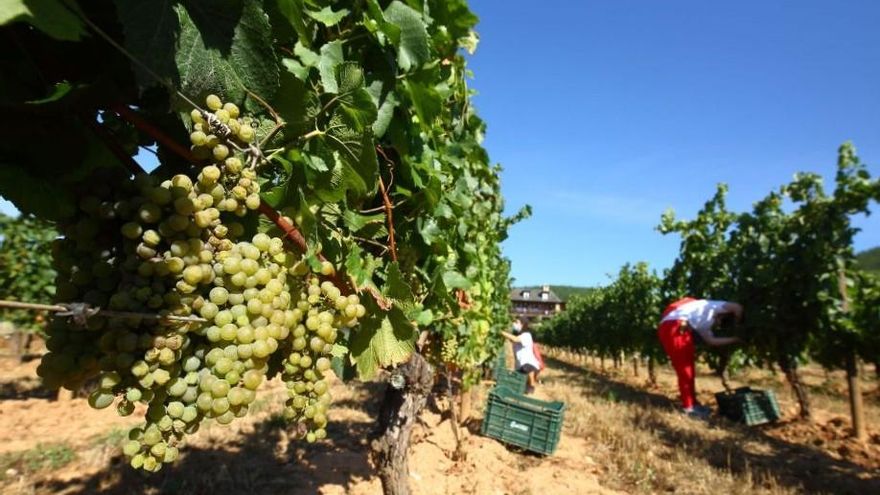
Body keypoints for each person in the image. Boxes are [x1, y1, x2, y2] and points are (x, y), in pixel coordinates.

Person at [658, 297, 742, 418]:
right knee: (685, 370)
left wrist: (735, 339)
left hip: (677, 327)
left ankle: (692, 404)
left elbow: (711, 340)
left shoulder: (704, 323)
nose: (717, 324)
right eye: (720, 321)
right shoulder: (712, 305)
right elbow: (737, 307)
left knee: (688, 370)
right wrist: (738, 324)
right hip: (676, 326)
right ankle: (689, 408)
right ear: (722, 314)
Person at [500, 318, 541, 394]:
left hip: (529, 364)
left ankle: (532, 385)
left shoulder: (526, 335)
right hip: (520, 366)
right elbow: (512, 339)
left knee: (527, 368)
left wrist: (501, 332)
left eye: (517, 322)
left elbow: (515, 339)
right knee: (519, 387)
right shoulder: (519, 336)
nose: (515, 324)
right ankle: (528, 387)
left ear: (523, 324)